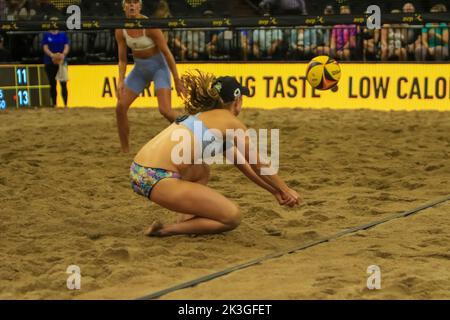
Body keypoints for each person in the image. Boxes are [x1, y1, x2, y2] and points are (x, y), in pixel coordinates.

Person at [130, 70, 301, 237]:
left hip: (138, 171)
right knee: (232, 217)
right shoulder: (232, 123)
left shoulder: (203, 116)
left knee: (201, 171)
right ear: (237, 100)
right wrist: (286, 190)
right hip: (157, 178)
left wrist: (275, 191)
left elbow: (244, 165)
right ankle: (166, 230)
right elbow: (258, 165)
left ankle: (187, 222)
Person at [115, 0, 186, 153]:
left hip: (159, 68)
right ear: (124, 7)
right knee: (120, 107)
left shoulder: (150, 26)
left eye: (135, 3)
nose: (132, 5)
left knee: (165, 110)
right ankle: (125, 151)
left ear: (140, 6)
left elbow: (167, 53)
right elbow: (122, 59)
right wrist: (120, 80)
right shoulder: (121, 29)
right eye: (128, 3)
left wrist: (177, 80)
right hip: (140, 70)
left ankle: (192, 128)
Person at [41, 17, 70, 108]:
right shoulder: (46, 35)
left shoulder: (63, 34)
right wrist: (52, 55)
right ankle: (54, 104)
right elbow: (45, 47)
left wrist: (62, 55)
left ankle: (65, 104)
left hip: (61, 62)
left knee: (63, 83)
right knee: (52, 83)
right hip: (50, 62)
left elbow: (66, 46)